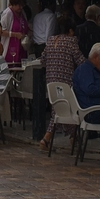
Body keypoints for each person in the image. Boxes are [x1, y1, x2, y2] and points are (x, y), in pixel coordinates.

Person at [39, 16, 86, 153]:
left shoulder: (50, 40)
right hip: (66, 84)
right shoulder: (71, 42)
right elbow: (81, 61)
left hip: (51, 83)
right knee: (66, 110)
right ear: (70, 30)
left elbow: (42, 60)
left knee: (62, 109)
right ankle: (47, 138)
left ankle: (73, 137)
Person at [0, 0, 30, 64]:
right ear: (13, 4)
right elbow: (1, 31)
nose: (20, 7)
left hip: (22, 48)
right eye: (18, 5)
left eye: (22, 5)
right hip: (11, 48)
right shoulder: (8, 13)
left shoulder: (22, 13)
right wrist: (15, 34)